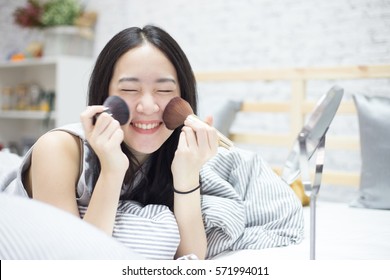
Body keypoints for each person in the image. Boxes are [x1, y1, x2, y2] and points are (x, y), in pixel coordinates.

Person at [1, 25, 304, 260]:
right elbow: (76, 259)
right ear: (103, 93)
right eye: (130, 89)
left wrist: (186, 175)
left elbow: (191, 258)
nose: (148, 106)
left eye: (164, 90)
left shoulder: (172, 152)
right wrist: (111, 168)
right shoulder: (59, 150)